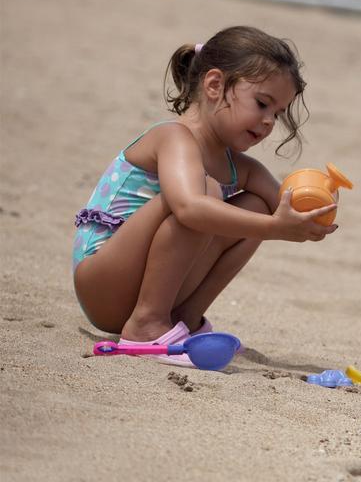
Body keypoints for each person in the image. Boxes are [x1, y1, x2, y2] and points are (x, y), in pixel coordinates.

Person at [73, 25, 339, 364]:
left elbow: (283, 207)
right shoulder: (174, 138)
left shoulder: (242, 167)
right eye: (262, 104)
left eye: (278, 113)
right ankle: (146, 323)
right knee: (205, 194)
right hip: (103, 282)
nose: (270, 122)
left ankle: (186, 320)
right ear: (214, 85)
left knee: (255, 207)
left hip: (143, 285)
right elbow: (188, 209)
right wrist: (275, 228)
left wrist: (317, 209)